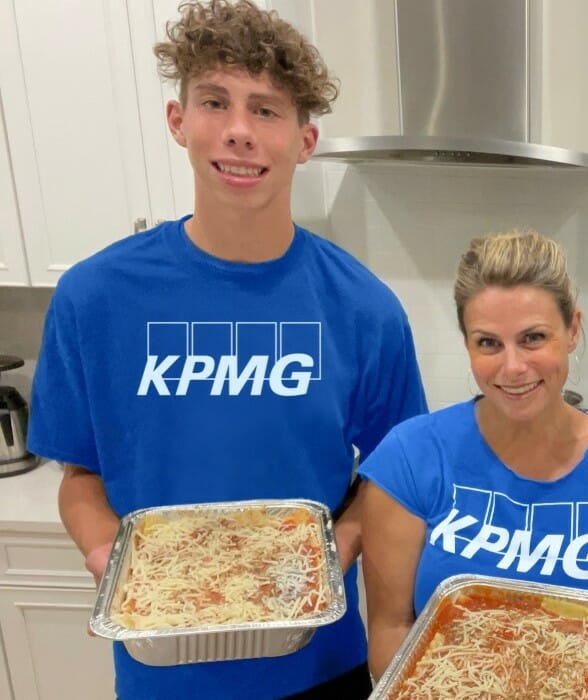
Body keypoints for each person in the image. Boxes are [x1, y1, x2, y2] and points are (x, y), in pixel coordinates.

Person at [26, 1, 428, 697]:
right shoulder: (95, 299)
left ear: (304, 141)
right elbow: (80, 477)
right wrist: (109, 562)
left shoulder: (365, 309)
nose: (239, 131)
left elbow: (391, 483)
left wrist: (329, 559)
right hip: (162, 672)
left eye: (266, 110)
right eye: (216, 101)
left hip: (318, 667)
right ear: (178, 121)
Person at [358, 229, 588, 683]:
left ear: (572, 330)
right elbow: (391, 627)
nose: (512, 367)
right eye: (488, 343)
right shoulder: (411, 457)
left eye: (533, 338)